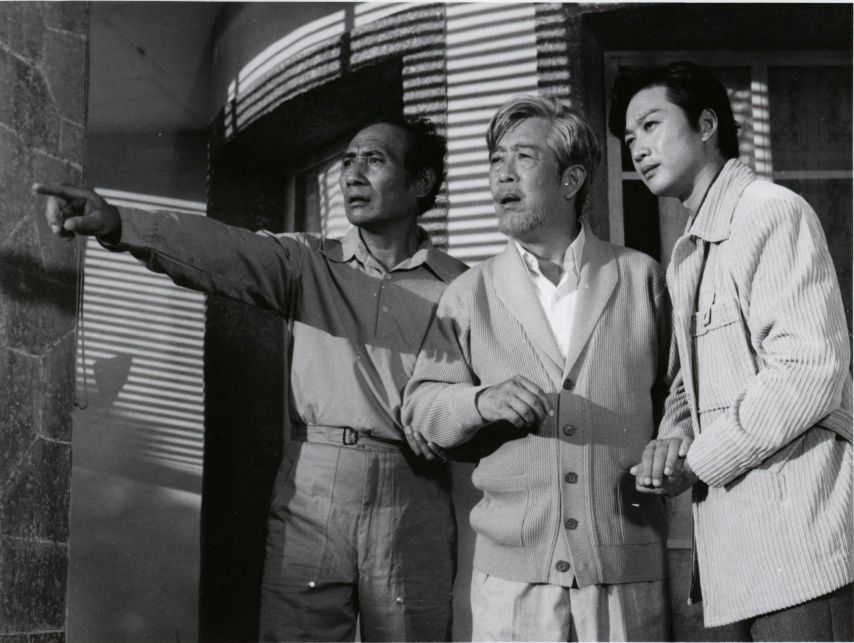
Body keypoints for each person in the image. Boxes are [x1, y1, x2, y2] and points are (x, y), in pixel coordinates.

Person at [34, 118, 468, 642]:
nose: (352, 174)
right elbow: (220, 248)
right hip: (316, 483)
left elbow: (482, 403)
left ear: (421, 182)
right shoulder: (308, 261)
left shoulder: (463, 288)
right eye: (348, 161)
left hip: (415, 490)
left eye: (374, 160)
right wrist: (119, 223)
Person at [402, 95, 675, 642]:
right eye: (495, 160)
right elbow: (420, 409)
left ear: (571, 180)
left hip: (625, 573)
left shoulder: (640, 277)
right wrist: (479, 401)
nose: (502, 173)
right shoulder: (469, 293)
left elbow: (681, 393)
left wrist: (674, 439)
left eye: (523, 157)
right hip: (512, 588)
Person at [610, 61, 853, 640]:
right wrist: (672, 439)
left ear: (706, 124)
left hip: (801, 545)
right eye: (629, 137)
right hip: (736, 553)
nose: (637, 148)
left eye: (651, 125)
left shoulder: (769, 212)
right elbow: (689, 385)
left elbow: (808, 370)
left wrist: (698, 459)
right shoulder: (690, 250)